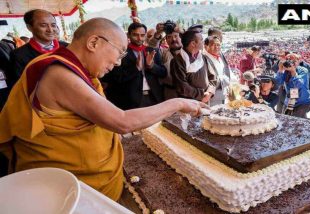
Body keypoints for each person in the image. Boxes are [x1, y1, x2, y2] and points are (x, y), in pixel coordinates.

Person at [0, 18, 207, 201]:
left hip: (90, 176)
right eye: (118, 53)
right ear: (93, 42)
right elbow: (122, 121)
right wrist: (178, 103)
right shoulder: (59, 74)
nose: (117, 63)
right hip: (69, 189)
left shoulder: (79, 71)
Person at [103, 22, 167, 110]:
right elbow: (116, 78)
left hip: (154, 97)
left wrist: (151, 65)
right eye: (135, 35)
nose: (139, 38)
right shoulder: (121, 53)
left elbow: (163, 73)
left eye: (142, 35)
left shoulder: (152, 51)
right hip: (131, 100)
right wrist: (136, 68)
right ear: (128, 35)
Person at [10, 9, 67, 80]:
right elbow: (19, 86)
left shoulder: (67, 47)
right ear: (29, 27)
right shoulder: (19, 55)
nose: (50, 30)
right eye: (43, 25)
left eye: (53, 25)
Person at [171, 30, 217, 103]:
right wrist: (201, 95)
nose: (203, 42)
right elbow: (182, 86)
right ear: (193, 43)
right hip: (188, 104)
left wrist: (210, 92)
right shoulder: (177, 61)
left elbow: (213, 76)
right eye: (201, 40)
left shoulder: (203, 57)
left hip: (206, 100)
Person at [204, 36, 230, 106]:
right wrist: (225, 79)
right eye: (213, 45)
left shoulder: (220, 58)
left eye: (218, 45)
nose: (216, 47)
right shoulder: (204, 59)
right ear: (206, 46)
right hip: (211, 96)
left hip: (222, 94)